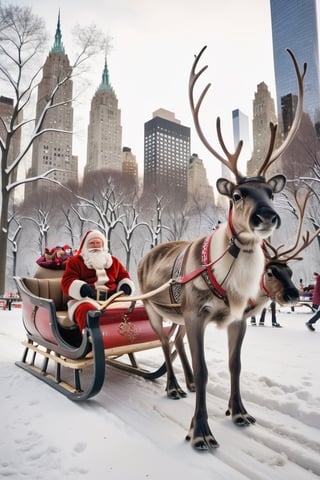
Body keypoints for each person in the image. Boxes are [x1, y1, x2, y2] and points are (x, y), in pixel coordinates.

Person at [61, 230, 135, 331]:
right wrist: (81, 288)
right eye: (92, 243)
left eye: (98, 243)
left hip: (112, 299)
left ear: (103, 245)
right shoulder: (75, 262)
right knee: (87, 311)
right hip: (86, 299)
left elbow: (124, 277)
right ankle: (90, 341)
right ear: (86, 245)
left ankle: (130, 337)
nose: (95, 246)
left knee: (134, 308)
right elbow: (67, 282)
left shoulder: (114, 261)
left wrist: (125, 285)